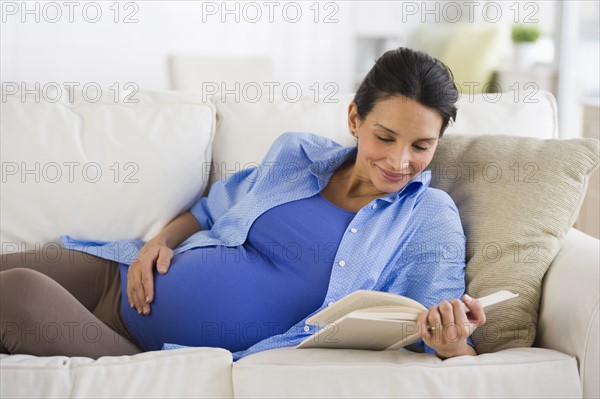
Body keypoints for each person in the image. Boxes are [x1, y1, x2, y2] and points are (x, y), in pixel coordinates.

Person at [0, 47, 485, 361]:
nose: (400, 161)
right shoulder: (298, 155)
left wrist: (454, 341)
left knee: (14, 293)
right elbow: (208, 212)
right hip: (120, 274)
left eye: (421, 146)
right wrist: (155, 243)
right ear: (355, 119)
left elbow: (438, 325)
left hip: (145, 350)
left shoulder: (429, 216)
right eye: (385, 137)